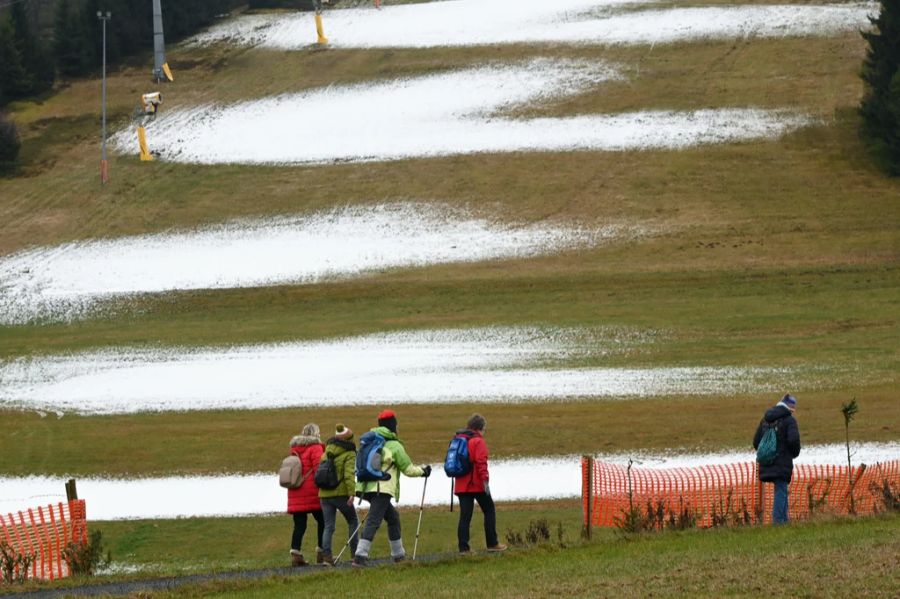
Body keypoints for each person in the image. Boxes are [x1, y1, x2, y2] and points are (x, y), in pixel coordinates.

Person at [352, 409, 431, 567]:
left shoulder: (369, 441)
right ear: (393, 426)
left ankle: (398, 555)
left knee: (393, 517)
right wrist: (423, 472)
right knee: (374, 520)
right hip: (382, 488)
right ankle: (360, 556)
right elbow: (408, 469)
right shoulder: (394, 445)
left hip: (364, 487)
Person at [453, 414, 507, 553]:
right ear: (480, 428)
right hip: (476, 484)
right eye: (484, 429)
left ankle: (463, 549)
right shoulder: (478, 441)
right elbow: (481, 463)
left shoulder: (458, 439)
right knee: (489, 510)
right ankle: (492, 543)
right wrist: (485, 481)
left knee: (465, 516)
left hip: (460, 484)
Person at [752, 393, 801, 524]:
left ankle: (784, 521)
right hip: (782, 461)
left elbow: (756, 442)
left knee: (781, 489)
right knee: (781, 490)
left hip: (766, 461)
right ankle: (779, 521)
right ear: (790, 408)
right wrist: (793, 453)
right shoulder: (789, 421)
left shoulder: (765, 420)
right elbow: (793, 440)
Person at [318, 423, 359, 566]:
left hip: (324, 494)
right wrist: (352, 493)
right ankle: (355, 555)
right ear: (350, 439)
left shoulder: (326, 451)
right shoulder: (350, 453)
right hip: (340, 494)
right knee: (353, 521)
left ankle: (327, 558)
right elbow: (349, 475)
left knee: (328, 526)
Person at [287, 423, 325, 566]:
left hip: (296, 491)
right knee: (323, 520)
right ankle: (322, 552)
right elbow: (319, 470)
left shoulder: (295, 448)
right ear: (316, 433)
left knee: (299, 524)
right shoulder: (315, 448)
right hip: (312, 492)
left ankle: (295, 553)